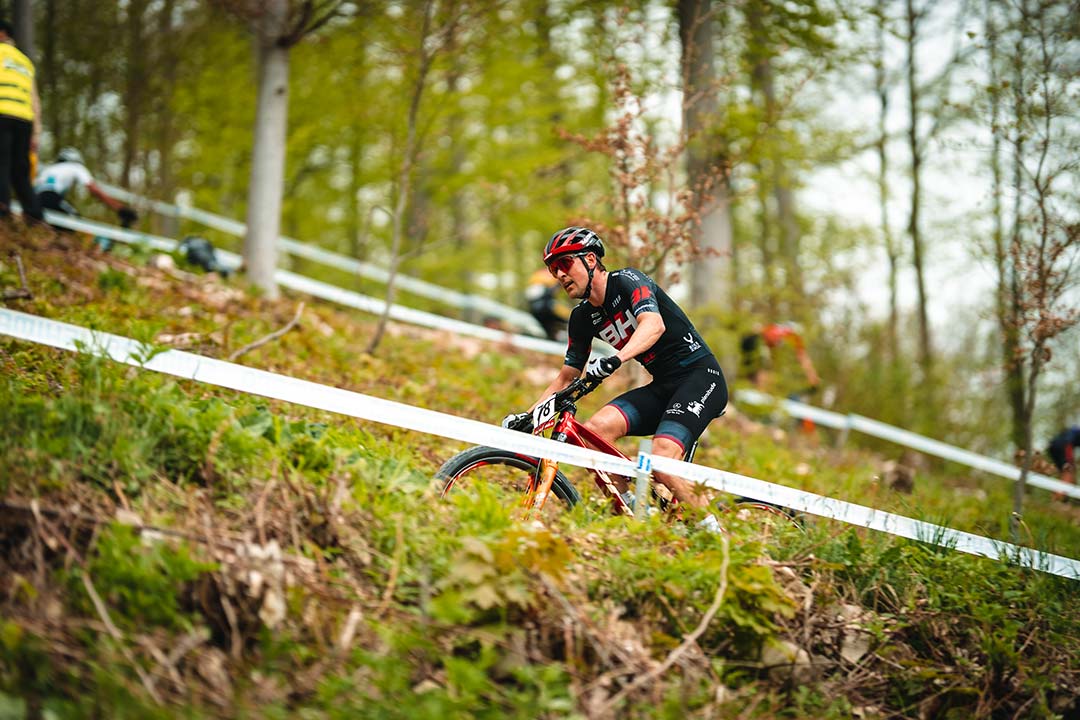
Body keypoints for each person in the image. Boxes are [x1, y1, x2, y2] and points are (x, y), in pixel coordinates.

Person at [517, 226, 729, 530]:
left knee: (661, 459)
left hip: (700, 378)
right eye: (553, 269)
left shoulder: (628, 281)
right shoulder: (581, 318)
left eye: (565, 264)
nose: (559, 276)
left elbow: (653, 325)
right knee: (595, 432)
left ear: (590, 260)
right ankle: (638, 514)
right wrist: (528, 416)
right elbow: (566, 377)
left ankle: (715, 534)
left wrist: (616, 359)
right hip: (663, 386)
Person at [0, 19, 43, 224]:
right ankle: (34, 214)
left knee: (1, 164)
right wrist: (36, 133)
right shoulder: (24, 61)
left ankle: (2, 209)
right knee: (20, 169)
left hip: (2, 114)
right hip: (24, 119)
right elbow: (35, 100)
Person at [34, 147, 136, 228]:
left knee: (52, 222)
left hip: (35, 197)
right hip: (50, 196)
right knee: (75, 221)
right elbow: (93, 189)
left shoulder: (50, 168)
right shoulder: (76, 166)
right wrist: (119, 208)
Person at [739, 322, 820, 395]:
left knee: (760, 369)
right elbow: (803, 359)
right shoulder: (792, 337)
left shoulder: (780, 331)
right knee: (763, 369)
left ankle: (757, 386)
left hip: (756, 342)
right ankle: (759, 388)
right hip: (759, 343)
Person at [524, 266, 571, 341]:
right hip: (545, 307)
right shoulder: (548, 275)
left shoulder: (538, 276)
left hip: (538, 309)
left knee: (551, 325)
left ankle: (554, 336)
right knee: (567, 319)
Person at [1046, 426, 1079, 491]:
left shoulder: (1073, 430)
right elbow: (1068, 443)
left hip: (1052, 446)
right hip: (1063, 446)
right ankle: (1061, 494)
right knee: (1069, 470)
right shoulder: (1074, 432)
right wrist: (1068, 461)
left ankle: (1057, 496)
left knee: (1063, 471)